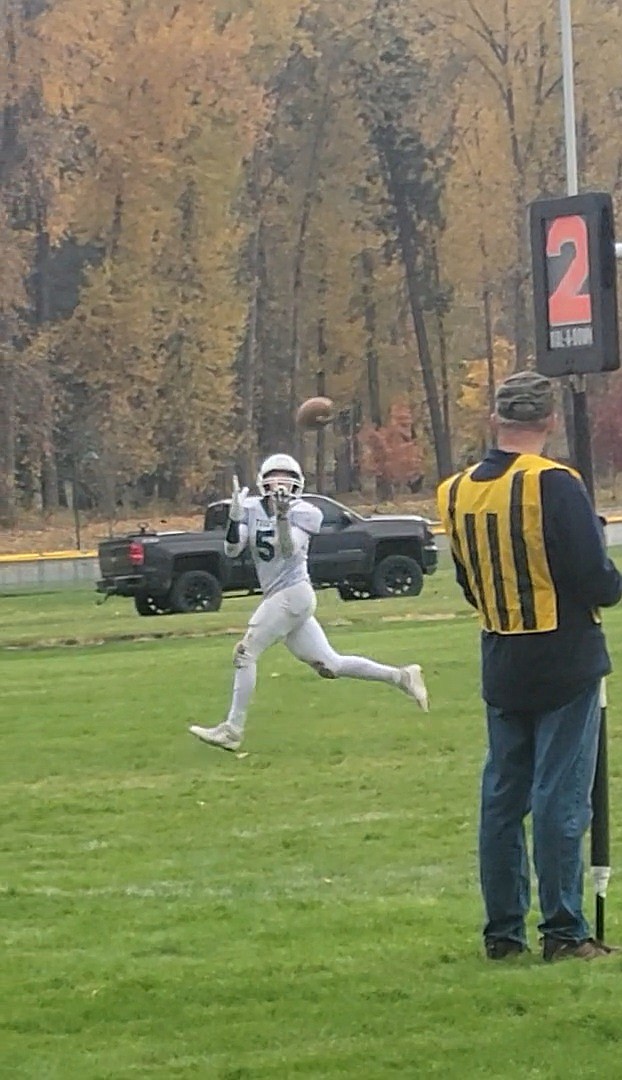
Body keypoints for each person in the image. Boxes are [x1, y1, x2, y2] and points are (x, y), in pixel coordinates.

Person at [437, 371, 622, 963]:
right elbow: (596, 580)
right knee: (560, 795)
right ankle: (565, 930)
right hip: (564, 655)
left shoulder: (454, 490)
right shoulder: (556, 484)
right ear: (549, 421)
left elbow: (470, 581)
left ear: (496, 419)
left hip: (501, 653)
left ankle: (502, 932)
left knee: (502, 797)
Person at [190, 452, 428, 751]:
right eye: (273, 477)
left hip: (294, 593)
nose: (279, 484)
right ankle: (401, 676)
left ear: (297, 484)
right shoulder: (251, 508)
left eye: (286, 479)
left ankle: (232, 730)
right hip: (279, 596)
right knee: (331, 664)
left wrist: (279, 518)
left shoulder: (305, 512)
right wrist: (234, 519)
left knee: (245, 653)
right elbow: (232, 550)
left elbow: (288, 550)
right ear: (263, 480)